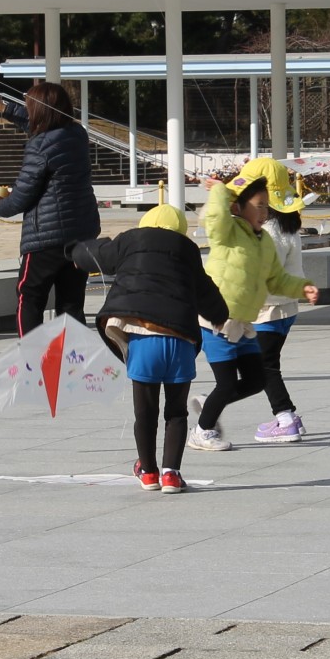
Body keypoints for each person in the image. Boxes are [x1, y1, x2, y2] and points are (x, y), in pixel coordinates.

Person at [69, 204, 235, 496]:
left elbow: (97, 254)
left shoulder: (131, 240)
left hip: (144, 338)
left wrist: (74, 252)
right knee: (176, 412)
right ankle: (172, 474)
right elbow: (206, 290)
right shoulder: (188, 250)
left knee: (144, 412)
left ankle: (147, 472)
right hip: (181, 339)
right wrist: (220, 315)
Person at [191, 170, 320, 451]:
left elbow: (276, 279)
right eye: (258, 206)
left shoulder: (263, 241)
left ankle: (207, 407)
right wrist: (221, 192)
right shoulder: (228, 232)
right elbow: (214, 217)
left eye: (266, 206)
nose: (264, 212)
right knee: (225, 384)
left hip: (244, 322)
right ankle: (201, 432)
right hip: (217, 321)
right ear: (239, 207)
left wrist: (302, 288)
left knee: (256, 379)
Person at [0, 82, 101, 337]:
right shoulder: (77, 134)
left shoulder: (38, 146)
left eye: (30, 107)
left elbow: (22, 196)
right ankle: (73, 361)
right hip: (81, 234)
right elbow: (42, 127)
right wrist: (6, 109)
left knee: (29, 297)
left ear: (40, 111)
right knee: (71, 303)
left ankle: (31, 360)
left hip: (45, 239)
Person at [244, 159, 313, 445]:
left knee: (265, 366)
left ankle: (286, 418)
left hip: (268, 309)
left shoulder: (266, 231)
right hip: (285, 307)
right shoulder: (286, 223)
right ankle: (285, 415)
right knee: (265, 363)